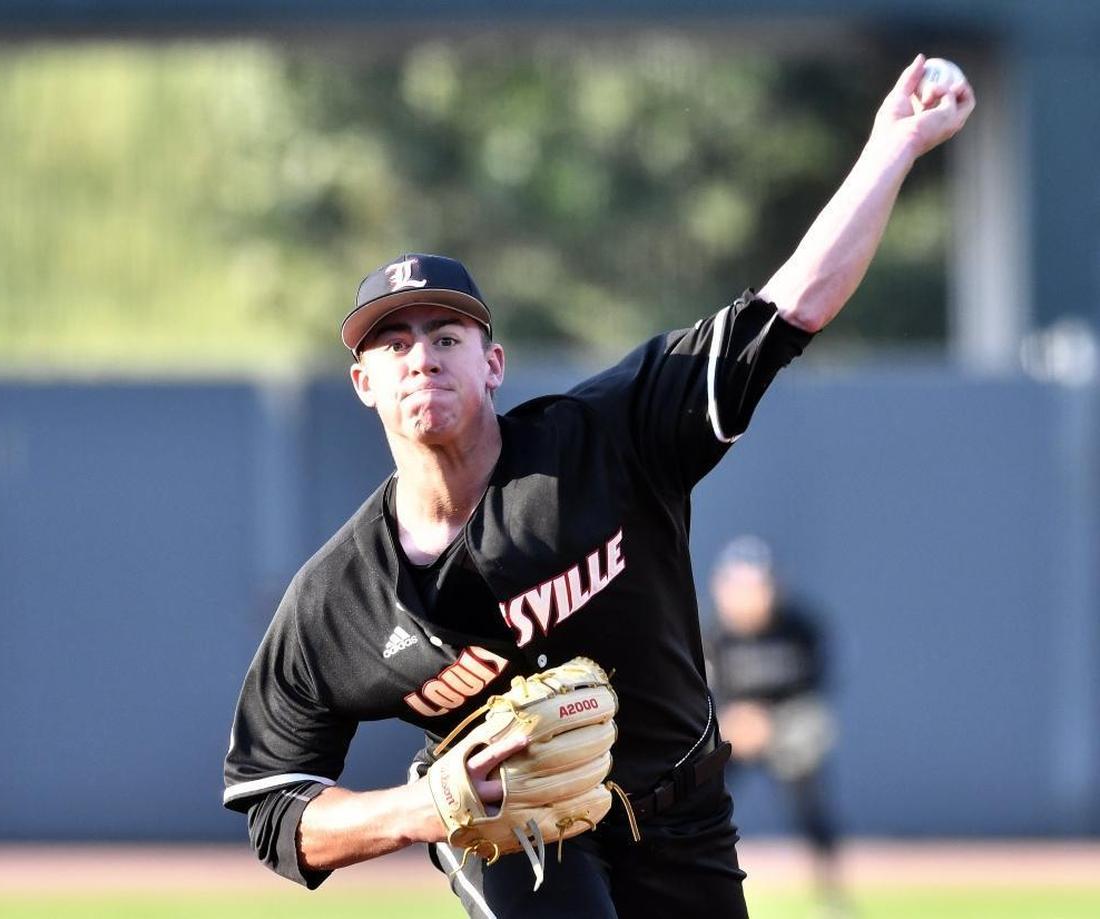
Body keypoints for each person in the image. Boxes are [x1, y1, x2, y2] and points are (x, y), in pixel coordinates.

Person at [223, 56, 974, 918]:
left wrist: (894, 146)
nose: (420, 354)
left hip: (682, 811)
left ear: (493, 362)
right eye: (391, 343)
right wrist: (421, 809)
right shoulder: (340, 600)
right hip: (516, 838)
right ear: (363, 384)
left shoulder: (607, 438)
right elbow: (273, 803)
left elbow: (789, 307)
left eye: (445, 333)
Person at [704, 536, 845, 910]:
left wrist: (773, 722)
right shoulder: (710, 636)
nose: (749, 598)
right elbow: (699, 698)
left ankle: (830, 894)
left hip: (786, 731)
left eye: (757, 587)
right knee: (698, 791)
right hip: (731, 734)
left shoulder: (799, 628)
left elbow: (816, 693)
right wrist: (734, 722)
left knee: (808, 789)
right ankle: (693, 879)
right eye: (740, 587)